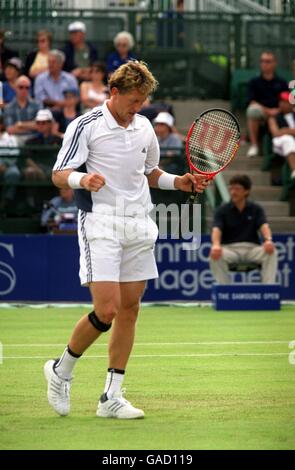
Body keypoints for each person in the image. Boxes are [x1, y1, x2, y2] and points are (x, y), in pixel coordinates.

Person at [44, 60, 209, 419]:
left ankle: (111, 397)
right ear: (114, 93)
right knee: (107, 309)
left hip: (139, 223)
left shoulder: (145, 125)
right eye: (134, 100)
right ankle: (61, 370)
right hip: (101, 223)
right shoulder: (84, 125)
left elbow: (150, 172)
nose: (138, 108)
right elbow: (59, 174)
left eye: (143, 101)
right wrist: (81, 180)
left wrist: (177, 182)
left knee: (130, 309)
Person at [209, 174, 277, 284]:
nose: (233, 192)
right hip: (230, 250)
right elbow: (216, 229)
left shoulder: (256, 209)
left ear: (246, 191)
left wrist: (268, 240)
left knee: (271, 252)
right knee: (215, 255)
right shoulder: (222, 210)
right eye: (231, 188)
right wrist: (216, 245)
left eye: (237, 189)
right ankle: (224, 292)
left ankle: (268, 290)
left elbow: (264, 225)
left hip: (252, 249)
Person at [246, 51, 288, 158]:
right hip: (262, 112)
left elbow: (286, 100)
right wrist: (268, 111)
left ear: (274, 63)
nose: (264, 64)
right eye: (262, 61)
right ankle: (254, 145)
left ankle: (279, 150)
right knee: (252, 111)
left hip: (279, 112)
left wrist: (278, 110)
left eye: (268, 61)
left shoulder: (282, 82)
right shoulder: (254, 82)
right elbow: (252, 101)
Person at [3, 75, 41, 141]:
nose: (24, 90)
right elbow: (10, 130)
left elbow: (40, 126)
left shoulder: (37, 104)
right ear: (15, 88)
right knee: (6, 137)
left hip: (34, 139)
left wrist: (20, 124)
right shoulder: (8, 107)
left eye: (27, 88)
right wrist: (31, 127)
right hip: (15, 139)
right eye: (21, 87)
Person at [268, 91, 295, 180]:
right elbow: (276, 133)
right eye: (281, 102)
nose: (283, 104)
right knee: (288, 139)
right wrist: (290, 132)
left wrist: (285, 130)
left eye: (286, 102)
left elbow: (282, 131)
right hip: (279, 143)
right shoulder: (274, 117)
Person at [0, 115, 20, 210]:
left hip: (8, 164)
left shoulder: (10, 138)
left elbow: (15, 153)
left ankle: (5, 201)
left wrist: (6, 164)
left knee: (14, 173)